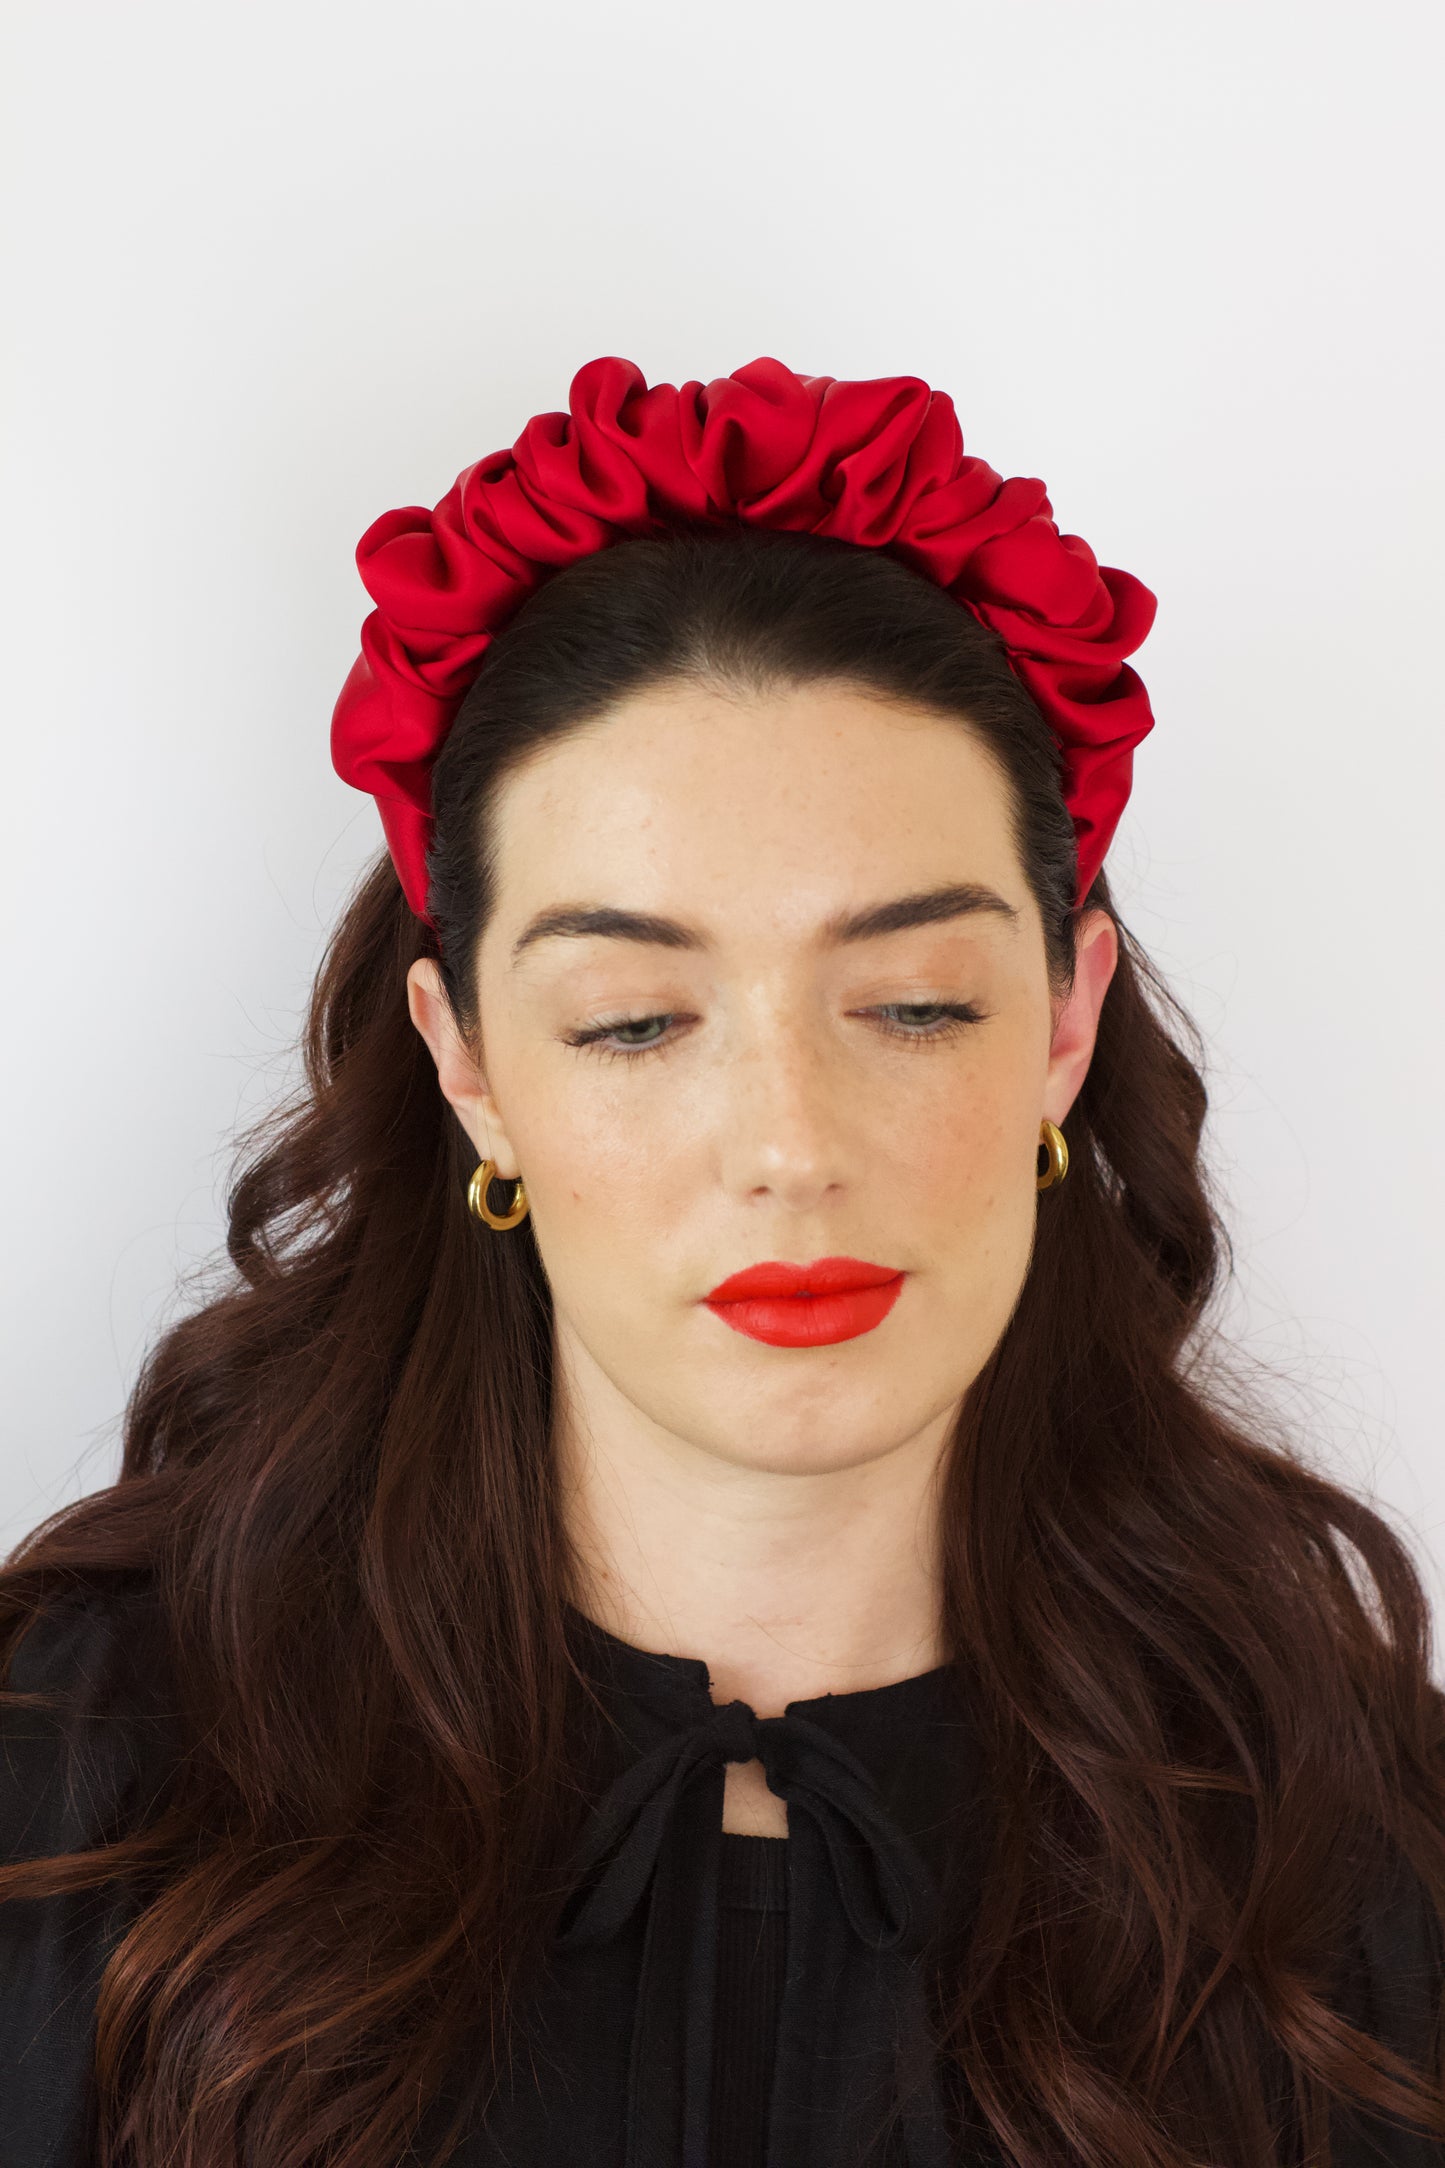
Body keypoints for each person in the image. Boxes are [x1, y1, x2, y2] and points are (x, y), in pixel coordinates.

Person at [2, 358, 1442, 2168]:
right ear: (469, 1066)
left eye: (914, 1006)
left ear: (1065, 1023)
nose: (787, 1146)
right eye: (631, 1021)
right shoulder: (74, 1783)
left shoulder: (1365, 1860)